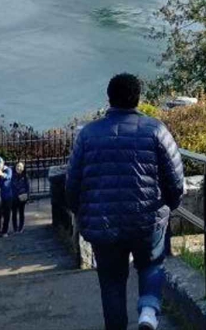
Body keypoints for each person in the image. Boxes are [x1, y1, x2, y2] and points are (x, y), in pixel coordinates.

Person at [66, 73, 185, 330]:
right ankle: (148, 312)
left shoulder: (88, 135)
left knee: (111, 282)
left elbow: (72, 183)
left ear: (109, 99)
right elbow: (175, 178)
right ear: (138, 98)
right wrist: (170, 205)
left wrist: (81, 213)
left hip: (103, 224)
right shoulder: (156, 130)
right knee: (151, 265)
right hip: (147, 218)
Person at [0, 157, 14, 235]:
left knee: (7, 214)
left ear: (3, 164)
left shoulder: (8, 170)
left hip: (8, 195)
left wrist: (1, 174)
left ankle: (5, 231)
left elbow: (8, 176)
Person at [10, 161, 30, 233]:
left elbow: (28, 187)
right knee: (14, 213)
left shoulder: (25, 176)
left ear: (23, 168)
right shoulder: (12, 176)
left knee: (21, 212)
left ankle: (21, 228)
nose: (19, 168)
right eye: (17, 166)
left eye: (20, 166)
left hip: (22, 196)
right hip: (14, 196)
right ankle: (15, 228)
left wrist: (28, 197)